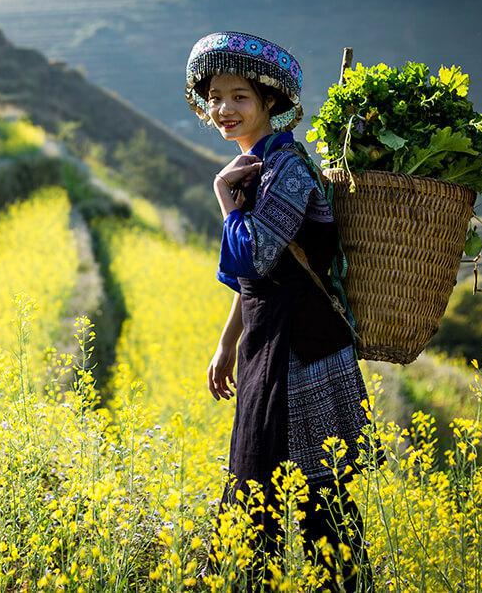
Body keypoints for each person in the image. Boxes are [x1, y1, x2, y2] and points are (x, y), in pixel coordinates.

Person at [183, 32, 372, 591]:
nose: (224, 109)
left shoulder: (285, 168)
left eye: (239, 97)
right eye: (215, 97)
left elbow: (256, 255)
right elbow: (248, 282)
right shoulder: (253, 168)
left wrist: (223, 199)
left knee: (320, 501)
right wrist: (226, 344)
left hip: (305, 351)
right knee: (254, 485)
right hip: (267, 346)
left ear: (269, 102)